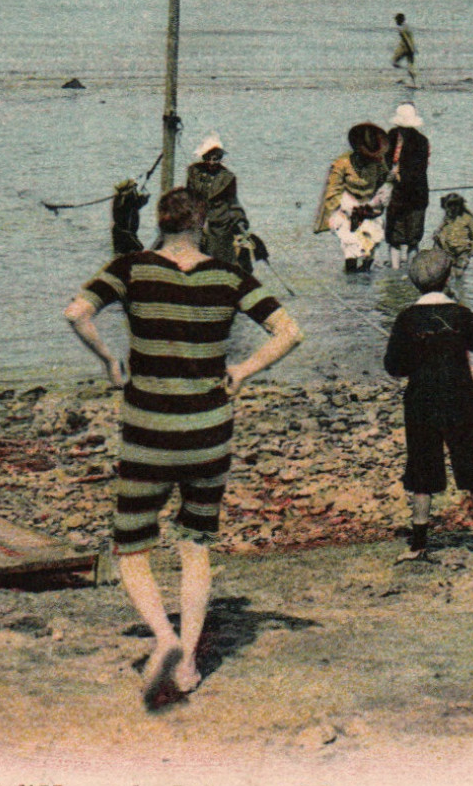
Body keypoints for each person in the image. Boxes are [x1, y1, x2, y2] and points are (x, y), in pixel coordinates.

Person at [65, 188, 303, 709]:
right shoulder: (229, 276)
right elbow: (289, 331)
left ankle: (165, 638)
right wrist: (242, 369)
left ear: (160, 221)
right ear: (201, 224)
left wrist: (109, 361)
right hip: (209, 432)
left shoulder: (131, 267)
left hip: (148, 429)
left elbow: (76, 312)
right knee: (195, 546)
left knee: (131, 546)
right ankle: (190, 662)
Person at [384, 249, 473, 563]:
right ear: (447, 278)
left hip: (421, 404)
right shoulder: (462, 313)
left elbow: (394, 367)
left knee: (421, 471)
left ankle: (417, 546)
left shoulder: (405, 319)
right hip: (462, 400)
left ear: (415, 283)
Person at [315, 122, 392, 272]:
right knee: (351, 251)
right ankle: (351, 286)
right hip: (348, 210)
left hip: (370, 208)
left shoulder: (379, 162)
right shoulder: (341, 163)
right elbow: (333, 190)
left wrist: (380, 199)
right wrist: (340, 212)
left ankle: (364, 285)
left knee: (370, 249)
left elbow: (385, 181)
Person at [185, 132, 258, 271]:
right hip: (196, 222)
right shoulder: (193, 172)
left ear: (221, 158)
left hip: (219, 224)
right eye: (209, 158)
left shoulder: (227, 177)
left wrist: (240, 221)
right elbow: (188, 196)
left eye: (216, 159)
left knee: (219, 264)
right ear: (204, 157)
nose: (212, 162)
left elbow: (233, 203)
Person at [385, 104, 431, 270]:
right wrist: (388, 174)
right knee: (394, 238)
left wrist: (399, 175)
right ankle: (395, 272)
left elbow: (419, 169)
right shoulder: (390, 137)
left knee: (413, 238)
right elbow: (382, 161)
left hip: (415, 196)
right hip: (396, 196)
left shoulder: (421, 142)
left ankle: (410, 273)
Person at [432, 193, 473, 283]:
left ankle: (460, 289)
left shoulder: (467, 218)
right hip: (449, 250)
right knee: (450, 275)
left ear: (460, 205)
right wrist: (436, 234)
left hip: (463, 250)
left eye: (455, 205)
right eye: (450, 206)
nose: (452, 208)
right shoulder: (447, 218)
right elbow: (439, 229)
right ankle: (454, 290)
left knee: (459, 273)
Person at [110, 179, 149, 254]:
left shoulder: (120, 198)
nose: (135, 191)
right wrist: (145, 198)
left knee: (120, 254)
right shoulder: (127, 199)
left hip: (118, 231)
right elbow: (138, 203)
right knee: (139, 249)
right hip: (126, 233)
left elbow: (135, 203)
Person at [391, 13, 417, 85]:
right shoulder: (407, 27)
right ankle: (414, 83)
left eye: (396, 20)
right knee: (410, 66)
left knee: (394, 62)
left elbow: (406, 39)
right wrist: (413, 48)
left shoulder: (401, 28)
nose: (396, 21)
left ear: (400, 20)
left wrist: (410, 48)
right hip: (410, 48)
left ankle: (405, 72)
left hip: (405, 48)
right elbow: (410, 38)